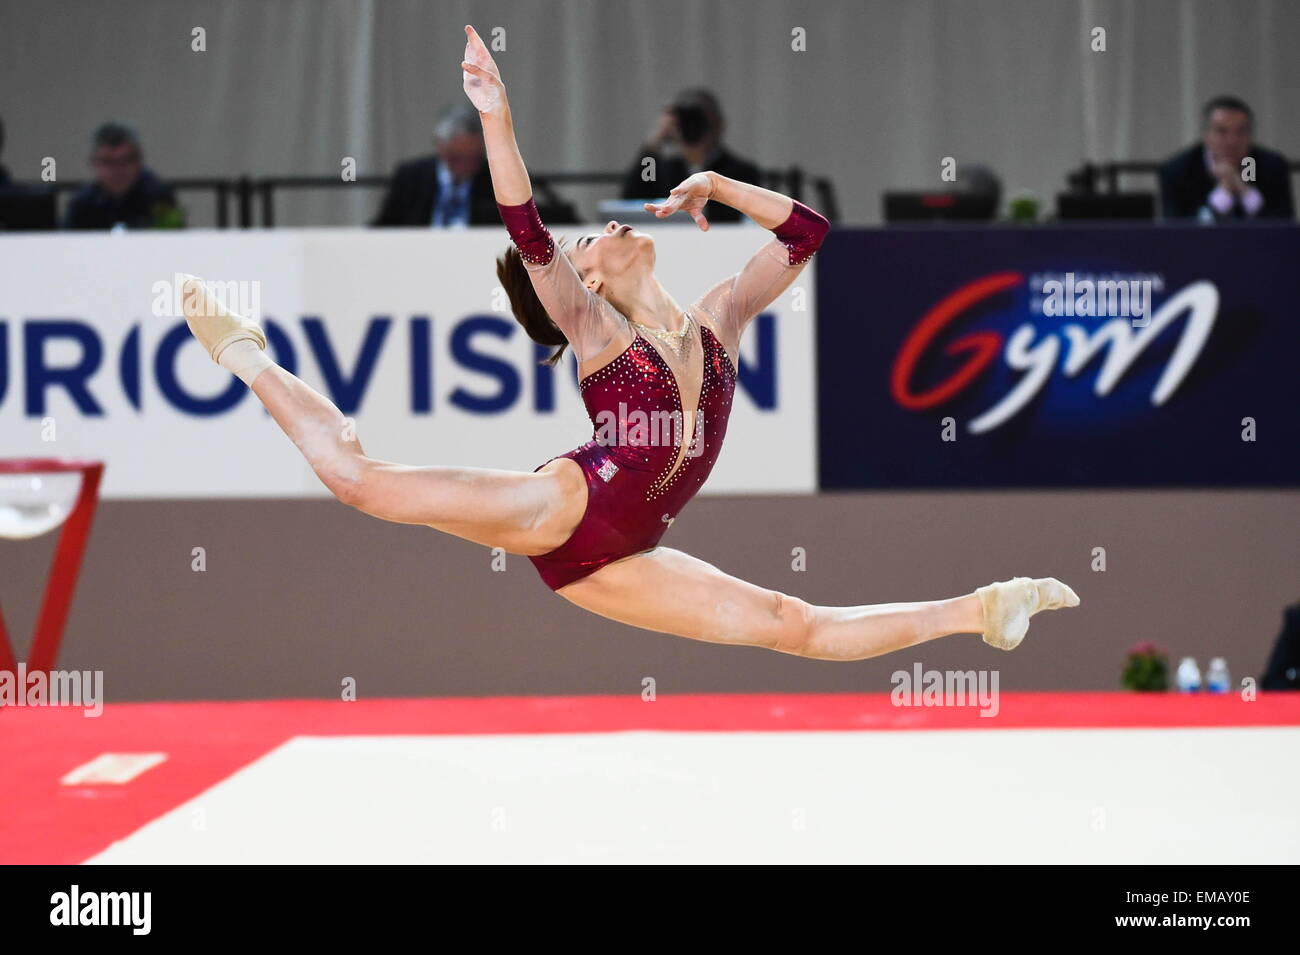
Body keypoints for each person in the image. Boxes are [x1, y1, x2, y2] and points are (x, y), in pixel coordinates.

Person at [178, 25, 1079, 660]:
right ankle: (247, 351)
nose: (600, 231)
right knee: (357, 481)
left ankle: (982, 612)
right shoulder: (597, 331)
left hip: (626, 553)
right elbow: (526, 226)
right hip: (564, 511)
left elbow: (807, 232)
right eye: (586, 244)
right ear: (592, 282)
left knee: (788, 622)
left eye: (591, 238)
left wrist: (722, 183)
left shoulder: (722, 318)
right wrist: (496, 116)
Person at [620, 89, 762, 224]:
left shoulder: (741, 172)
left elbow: (747, 220)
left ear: (718, 124)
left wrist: (699, 162)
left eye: (698, 121)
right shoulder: (661, 170)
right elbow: (631, 200)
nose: (692, 127)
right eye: (685, 122)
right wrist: (653, 146)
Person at [1158, 95, 1294, 221]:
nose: (1232, 141)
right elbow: (1177, 230)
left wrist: (1245, 191)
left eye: (1241, 131)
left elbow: (1283, 224)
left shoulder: (1271, 166)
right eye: (1221, 131)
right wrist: (1222, 195)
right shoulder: (1177, 170)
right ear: (1206, 135)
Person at [372, 102, 498, 227]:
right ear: (440, 146)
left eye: (473, 159)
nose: (466, 167)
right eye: (456, 159)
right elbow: (383, 229)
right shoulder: (410, 179)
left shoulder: (497, 182)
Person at [63, 123, 181, 230]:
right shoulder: (82, 203)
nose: (117, 170)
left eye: (125, 160)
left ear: (138, 162)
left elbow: (173, 241)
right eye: (108, 162)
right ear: (94, 163)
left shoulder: (159, 197)